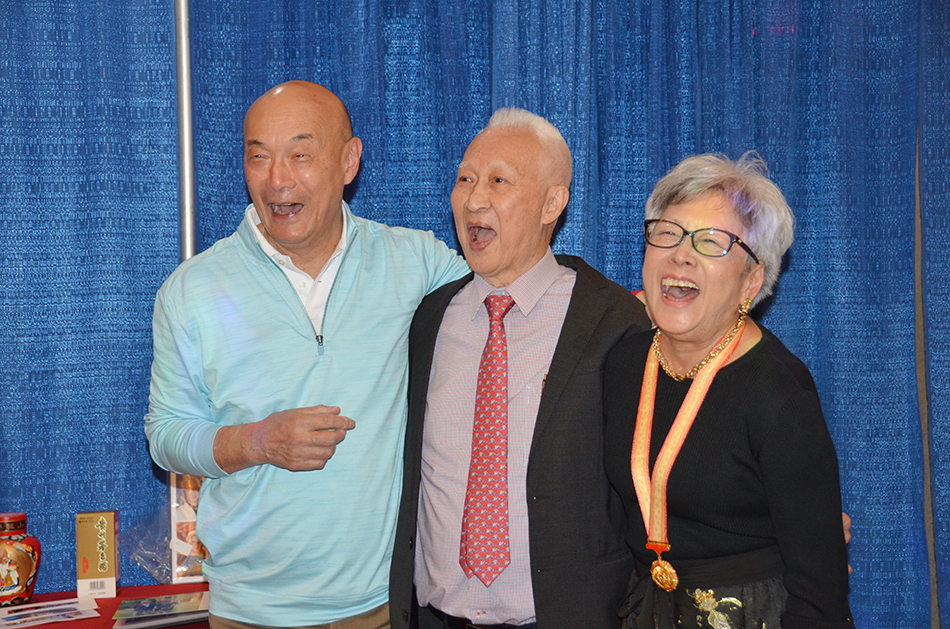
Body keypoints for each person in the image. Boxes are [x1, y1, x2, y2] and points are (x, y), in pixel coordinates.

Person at [144, 81, 469, 628]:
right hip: (250, 611)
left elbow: (501, 304)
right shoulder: (193, 290)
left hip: (386, 605)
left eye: (300, 155)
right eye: (259, 157)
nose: (277, 180)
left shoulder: (415, 263)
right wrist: (256, 441)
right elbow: (166, 434)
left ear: (349, 161)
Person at [389, 108, 653, 629]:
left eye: (498, 181)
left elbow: (648, 485)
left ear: (552, 203)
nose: (473, 200)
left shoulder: (612, 320)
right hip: (435, 616)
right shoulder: (429, 318)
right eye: (465, 179)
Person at [603, 153, 853, 627]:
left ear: (750, 282)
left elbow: (820, 591)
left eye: (712, 242)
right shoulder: (621, 362)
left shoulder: (778, 393)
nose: (681, 254)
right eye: (668, 232)